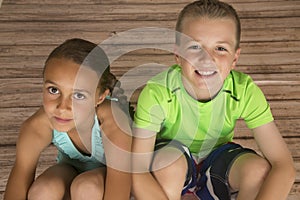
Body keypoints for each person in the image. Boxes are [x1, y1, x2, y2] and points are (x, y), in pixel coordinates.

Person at [132, 0, 295, 200]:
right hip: (172, 162)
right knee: (169, 164)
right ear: (177, 54)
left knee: (258, 170)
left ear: (235, 58)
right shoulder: (158, 92)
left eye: (220, 48)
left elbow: (283, 164)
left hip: (217, 162)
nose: (207, 58)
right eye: (194, 47)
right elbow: (137, 169)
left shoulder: (243, 90)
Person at [4, 38, 132, 200]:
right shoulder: (36, 126)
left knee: (86, 187)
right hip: (69, 170)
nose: (63, 107)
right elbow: (18, 185)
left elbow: (119, 189)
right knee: (43, 190)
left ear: (100, 97)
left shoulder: (113, 122)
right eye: (53, 90)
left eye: (79, 95)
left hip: (117, 182)